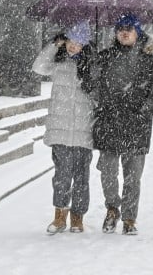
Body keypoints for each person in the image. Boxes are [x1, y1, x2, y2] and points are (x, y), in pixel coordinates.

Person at [91, 13, 153, 236]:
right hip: (109, 123)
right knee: (107, 173)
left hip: (137, 126)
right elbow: (91, 84)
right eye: (120, 29)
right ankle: (113, 208)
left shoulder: (149, 60)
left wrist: (144, 112)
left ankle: (129, 217)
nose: (124, 32)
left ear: (137, 32)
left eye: (129, 29)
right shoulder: (104, 57)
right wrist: (99, 101)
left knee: (133, 177)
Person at [32, 22, 95, 234]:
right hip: (60, 129)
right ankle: (60, 216)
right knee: (61, 176)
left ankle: (77, 217)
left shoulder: (92, 65)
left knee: (81, 178)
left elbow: (99, 95)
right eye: (70, 41)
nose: (73, 46)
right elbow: (38, 67)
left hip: (84, 130)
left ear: (85, 44)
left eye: (78, 43)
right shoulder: (58, 62)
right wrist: (53, 45)